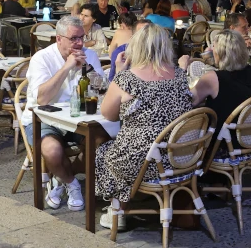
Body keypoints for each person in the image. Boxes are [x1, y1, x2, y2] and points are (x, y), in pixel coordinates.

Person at [95, 23, 194, 229]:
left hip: (142, 161)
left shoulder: (127, 79)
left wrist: (120, 71)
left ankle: (117, 210)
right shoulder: (179, 75)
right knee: (121, 148)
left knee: (104, 151)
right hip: (179, 157)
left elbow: (108, 115)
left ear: (136, 47)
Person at [21, 16, 105, 212]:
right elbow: (42, 99)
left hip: (79, 119)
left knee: (101, 142)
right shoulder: (42, 58)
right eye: (73, 38)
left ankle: (61, 178)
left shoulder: (89, 55)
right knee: (52, 151)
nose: (79, 43)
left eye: (81, 38)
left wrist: (87, 69)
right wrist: (67, 67)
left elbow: (102, 91)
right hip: (43, 118)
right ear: (59, 39)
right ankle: (72, 182)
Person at [185, 29, 251, 148]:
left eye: (213, 47)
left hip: (222, 143)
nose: (211, 50)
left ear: (220, 52)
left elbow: (186, 102)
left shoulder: (213, 78)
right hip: (249, 139)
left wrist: (182, 70)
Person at [108, 17, 147, 82]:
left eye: (149, 33)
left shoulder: (160, 54)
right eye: (141, 34)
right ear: (134, 36)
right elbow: (111, 81)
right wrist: (120, 73)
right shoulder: (120, 53)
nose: (146, 37)